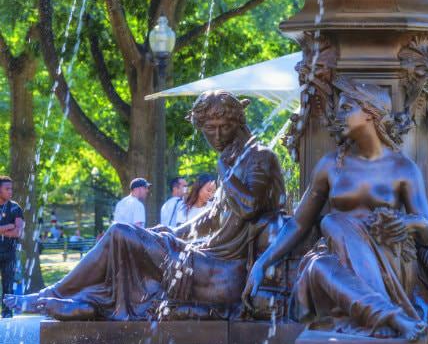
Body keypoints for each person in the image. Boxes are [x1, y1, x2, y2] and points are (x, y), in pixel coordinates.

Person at [5, 91, 287, 321]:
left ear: (238, 123)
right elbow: (210, 220)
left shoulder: (257, 158)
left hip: (221, 272)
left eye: (223, 128)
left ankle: (55, 295)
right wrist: (171, 232)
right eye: (208, 130)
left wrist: (224, 170)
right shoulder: (236, 158)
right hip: (207, 261)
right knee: (131, 238)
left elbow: (249, 207)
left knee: (120, 234)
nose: (216, 137)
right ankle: (82, 301)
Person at [243, 78, 428, 341]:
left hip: (386, 262)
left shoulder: (402, 168)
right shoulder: (330, 165)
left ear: (370, 113)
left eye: (346, 109)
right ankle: (391, 317)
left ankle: (381, 314)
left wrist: (407, 223)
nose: (337, 116)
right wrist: (262, 262)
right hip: (337, 258)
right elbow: (298, 223)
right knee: (321, 260)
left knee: (333, 223)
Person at [0, 176, 23, 318]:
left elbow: (18, 232)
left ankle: (7, 314)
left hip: (9, 253)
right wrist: (7, 227)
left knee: (8, 286)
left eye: (11, 189)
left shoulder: (15, 208)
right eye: (7, 189)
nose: (10, 192)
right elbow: (12, 229)